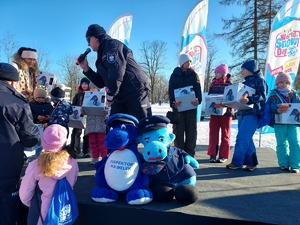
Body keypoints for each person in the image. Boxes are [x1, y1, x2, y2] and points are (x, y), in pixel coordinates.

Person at [78, 24, 152, 121]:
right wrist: (86, 68)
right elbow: (101, 83)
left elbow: (116, 72)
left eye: (88, 40)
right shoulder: (100, 56)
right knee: (114, 126)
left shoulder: (112, 46)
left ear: (96, 38)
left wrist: (110, 96)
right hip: (119, 95)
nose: (88, 44)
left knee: (143, 126)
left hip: (135, 91)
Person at [0, 63, 39, 225]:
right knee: (7, 209)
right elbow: (30, 137)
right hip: (6, 165)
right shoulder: (15, 102)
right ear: (12, 82)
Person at [19, 124, 79, 225]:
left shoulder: (36, 165)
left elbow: (25, 195)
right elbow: (73, 181)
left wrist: (33, 205)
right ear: (64, 142)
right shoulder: (72, 163)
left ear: (44, 141)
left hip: (40, 215)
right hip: (64, 212)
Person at [226, 59, 268, 171]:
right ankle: (251, 162)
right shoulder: (243, 83)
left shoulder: (260, 81)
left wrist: (249, 99)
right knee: (247, 139)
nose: (241, 71)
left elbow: (262, 97)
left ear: (250, 69)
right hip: (242, 112)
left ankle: (237, 162)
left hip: (252, 113)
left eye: (243, 69)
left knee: (242, 138)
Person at [168, 53, 202, 157]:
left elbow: (198, 89)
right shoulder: (174, 75)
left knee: (191, 131)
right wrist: (173, 102)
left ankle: (190, 155)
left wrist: (198, 100)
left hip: (191, 108)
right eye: (187, 61)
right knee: (178, 131)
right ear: (182, 63)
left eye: (190, 61)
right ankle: (179, 154)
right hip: (178, 108)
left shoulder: (194, 75)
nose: (189, 63)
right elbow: (171, 90)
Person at [268, 72, 300, 173]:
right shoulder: (273, 94)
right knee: (281, 143)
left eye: (287, 82)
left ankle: (295, 164)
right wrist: (277, 109)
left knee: (295, 142)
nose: (284, 84)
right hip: (279, 122)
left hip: (293, 122)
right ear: (277, 83)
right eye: (281, 82)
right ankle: (283, 163)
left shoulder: (294, 94)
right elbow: (271, 105)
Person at [207, 64, 233, 163]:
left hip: (226, 113)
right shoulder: (212, 83)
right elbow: (209, 96)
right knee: (213, 133)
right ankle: (212, 154)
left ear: (223, 73)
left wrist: (225, 104)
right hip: (214, 112)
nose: (215, 74)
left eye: (217, 72)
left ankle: (223, 155)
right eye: (215, 72)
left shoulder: (229, 84)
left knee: (225, 134)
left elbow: (232, 98)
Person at [83, 82, 108, 164]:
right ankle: (95, 158)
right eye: (90, 88)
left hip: (101, 124)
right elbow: (83, 112)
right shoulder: (87, 98)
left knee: (102, 142)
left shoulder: (104, 98)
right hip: (91, 124)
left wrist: (106, 111)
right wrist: (82, 109)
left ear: (98, 89)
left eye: (94, 88)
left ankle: (104, 157)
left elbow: (108, 110)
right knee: (92, 142)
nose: (92, 89)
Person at [69, 77, 90, 158]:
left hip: (88, 115)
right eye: (82, 84)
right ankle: (74, 150)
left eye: (86, 84)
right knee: (76, 132)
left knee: (87, 134)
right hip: (78, 115)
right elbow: (74, 104)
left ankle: (87, 151)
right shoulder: (78, 94)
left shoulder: (90, 93)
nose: (84, 85)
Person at [29, 88, 53, 158]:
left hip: (46, 125)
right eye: (38, 98)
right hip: (36, 126)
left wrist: (49, 117)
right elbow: (28, 115)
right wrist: (36, 117)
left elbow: (52, 113)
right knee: (39, 143)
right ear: (35, 97)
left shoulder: (48, 105)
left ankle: (47, 156)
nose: (40, 99)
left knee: (46, 141)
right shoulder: (31, 104)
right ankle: (38, 157)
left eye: (42, 98)